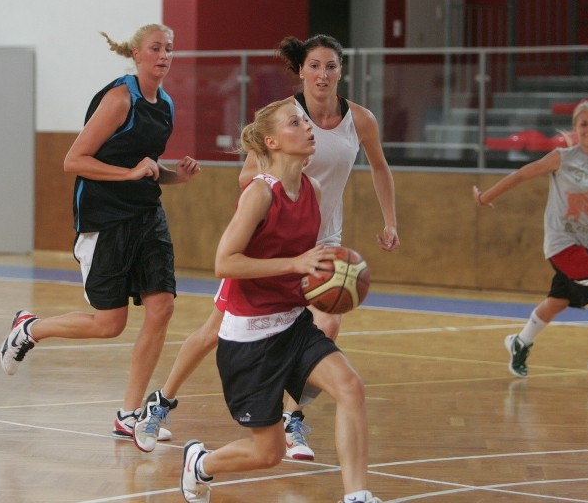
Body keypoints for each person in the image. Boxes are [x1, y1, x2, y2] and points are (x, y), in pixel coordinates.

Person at [133, 34, 399, 458]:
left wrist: (390, 220)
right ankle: (161, 402)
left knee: (328, 324)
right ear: (302, 71)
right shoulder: (284, 120)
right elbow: (247, 178)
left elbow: (380, 168)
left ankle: (294, 420)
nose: (323, 74)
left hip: (323, 239)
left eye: (331, 66)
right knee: (213, 332)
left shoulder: (360, 120)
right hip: (274, 242)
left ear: (341, 71)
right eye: (314, 65)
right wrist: (281, 183)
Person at [0, 24, 201, 440]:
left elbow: (146, 170)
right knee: (109, 324)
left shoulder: (165, 104)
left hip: (147, 216)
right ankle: (30, 329)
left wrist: (174, 177)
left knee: (162, 307)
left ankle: (129, 414)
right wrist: (129, 174)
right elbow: (74, 160)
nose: (164, 55)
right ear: (137, 54)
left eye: (170, 49)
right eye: (156, 48)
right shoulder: (118, 98)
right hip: (105, 219)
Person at [179, 98, 381, 503]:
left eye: (307, 122)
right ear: (272, 141)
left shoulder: (314, 188)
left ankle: (357, 496)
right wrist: (296, 264)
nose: (308, 128)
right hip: (249, 340)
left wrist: (331, 272)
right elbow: (224, 262)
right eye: (296, 122)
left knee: (350, 388)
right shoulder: (259, 193)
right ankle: (200, 463)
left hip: (292, 325)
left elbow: (302, 257)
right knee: (267, 454)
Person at [473, 100, 588, 381]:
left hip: (587, 246)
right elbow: (521, 175)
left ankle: (521, 342)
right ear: (576, 129)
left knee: (558, 301)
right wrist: (485, 197)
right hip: (562, 243)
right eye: (583, 124)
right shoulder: (562, 158)